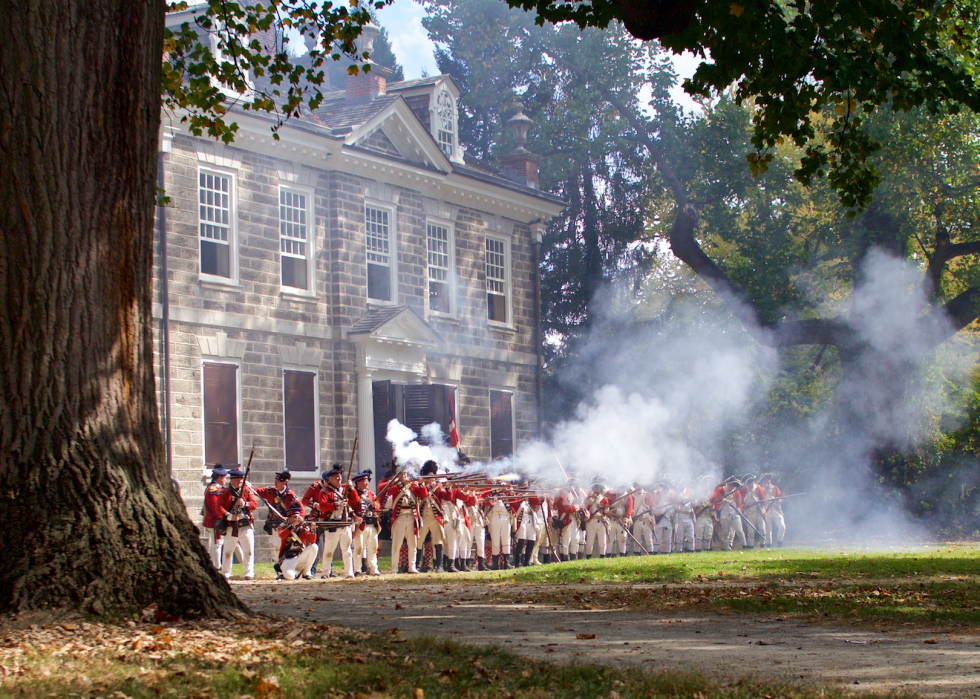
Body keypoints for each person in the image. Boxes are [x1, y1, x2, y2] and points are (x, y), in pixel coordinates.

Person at [313, 464, 356, 579]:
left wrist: (351, 488)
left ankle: (349, 572)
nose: (339, 478)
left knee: (347, 551)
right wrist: (337, 504)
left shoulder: (345, 489)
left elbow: (355, 500)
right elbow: (322, 506)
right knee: (328, 551)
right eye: (336, 477)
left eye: (339, 476)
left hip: (344, 523)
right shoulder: (325, 491)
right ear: (330, 479)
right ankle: (325, 572)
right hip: (332, 523)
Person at [217, 467, 258, 580]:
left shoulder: (246, 490)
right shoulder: (225, 492)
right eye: (238, 479)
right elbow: (218, 507)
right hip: (231, 525)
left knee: (248, 550)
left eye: (241, 479)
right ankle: (226, 572)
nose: (240, 481)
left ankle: (249, 572)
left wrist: (244, 504)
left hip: (245, 524)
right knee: (228, 551)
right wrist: (229, 516)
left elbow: (254, 504)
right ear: (232, 480)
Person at [383, 471, 428, 573]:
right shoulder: (395, 485)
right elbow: (389, 492)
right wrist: (402, 484)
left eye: (405, 474)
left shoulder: (413, 486)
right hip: (399, 517)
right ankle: (394, 568)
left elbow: (423, 494)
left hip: (412, 517)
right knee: (396, 544)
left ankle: (412, 567)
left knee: (413, 544)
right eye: (402, 474)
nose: (404, 476)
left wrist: (421, 484)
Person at [416, 460, 446, 573]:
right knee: (419, 542)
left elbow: (447, 496)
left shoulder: (438, 487)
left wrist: (445, 487)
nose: (431, 479)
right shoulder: (421, 486)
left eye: (432, 476)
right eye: (429, 476)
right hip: (423, 518)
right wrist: (423, 484)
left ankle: (439, 565)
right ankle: (417, 565)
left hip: (435, 518)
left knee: (438, 541)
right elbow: (422, 495)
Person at [350, 470, 382, 576]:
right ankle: (357, 570)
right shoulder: (353, 493)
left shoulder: (370, 493)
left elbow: (377, 504)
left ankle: (374, 568)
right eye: (364, 481)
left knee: (373, 548)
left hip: (371, 523)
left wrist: (374, 506)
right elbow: (352, 505)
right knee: (358, 548)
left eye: (367, 480)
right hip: (361, 524)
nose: (366, 483)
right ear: (358, 482)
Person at [276, 504, 318, 580]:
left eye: (298, 516)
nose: (297, 519)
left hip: (299, 556)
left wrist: (312, 530)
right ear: (289, 518)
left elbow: (311, 541)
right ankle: (287, 573)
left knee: (314, 547)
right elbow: (282, 535)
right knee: (290, 577)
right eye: (295, 517)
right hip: (287, 558)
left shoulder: (302, 526)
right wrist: (293, 525)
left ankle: (306, 572)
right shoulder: (283, 526)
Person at [255, 469, 304, 534]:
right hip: (273, 524)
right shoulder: (270, 491)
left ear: (284, 482)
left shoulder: (290, 496)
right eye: (275, 481)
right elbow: (257, 491)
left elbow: (301, 510)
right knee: (276, 544)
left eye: (277, 481)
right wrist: (247, 485)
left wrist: (297, 519)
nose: (275, 483)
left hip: (285, 526)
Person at [203, 465, 228, 568]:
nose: (225, 480)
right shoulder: (213, 489)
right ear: (219, 478)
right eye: (224, 478)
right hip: (214, 520)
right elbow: (215, 507)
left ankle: (216, 565)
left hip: (215, 519)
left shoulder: (216, 488)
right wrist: (223, 517)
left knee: (216, 543)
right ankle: (217, 566)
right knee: (217, 543)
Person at [714, 478, 746, 550]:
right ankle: (727, 548)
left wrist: (738, 510)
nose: (733, 487)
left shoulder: (736, 492)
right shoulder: (720, 490)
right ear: (728, 484)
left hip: (735, 514)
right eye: (732, 485)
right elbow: (717, 498)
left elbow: (739, 504)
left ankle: (745, 546)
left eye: (734, 486)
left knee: (740, 531)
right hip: (724, 514)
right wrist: (726, 500)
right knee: (725, 533)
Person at [583, 477, 609, 559]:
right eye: (595, 487)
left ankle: (602, 556)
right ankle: (588, 556)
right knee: (590, 541)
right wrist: (592, 498)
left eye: (598, 488)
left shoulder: (604, 499)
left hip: (601, 520)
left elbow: (606, 513)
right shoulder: (589, 498)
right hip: (591, 520)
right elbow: (585, 507)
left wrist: (607, 508)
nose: (596, 489)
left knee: (602, 541)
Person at [605, 485, 634, 557]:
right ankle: (608, 555)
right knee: (610, 538)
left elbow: (629, 508)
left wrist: (625, 520)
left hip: (621, 519)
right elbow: (604, 504)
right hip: (611, 518)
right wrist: (608, 512)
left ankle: (622, 555)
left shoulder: (627, 496)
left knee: (622, 538)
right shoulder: (609, 493)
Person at [739, 475, 767, 549]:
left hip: (759, 511)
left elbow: (763, 500)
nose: (751, 485)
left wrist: (760, 502)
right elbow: (740, 502)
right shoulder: (742, 490)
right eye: (749, 483)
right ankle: (750, 546)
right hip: (749, 513)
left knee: (762, 529)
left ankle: (763, 545)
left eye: (752, 483)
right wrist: (745, 506)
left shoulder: (758, 488)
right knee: (750, 532)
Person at [759, 473, 786, 548]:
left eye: (767, 479)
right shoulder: (760, 489)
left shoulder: (775, 488)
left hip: (776, 510)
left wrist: (776, 500)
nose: (766, 481)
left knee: (782, 527)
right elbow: (759, 500)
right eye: (765, 480)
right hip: (766, 511)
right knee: (768, 530)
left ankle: (779, 543)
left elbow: (781, 499)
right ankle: (769, 545)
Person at [694, 475, 717, 551]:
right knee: (699, 536)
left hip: (708, 516)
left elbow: (716, 504)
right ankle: (698, 550)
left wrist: (711, 505)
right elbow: (694, 504)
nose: (707, 484)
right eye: (705, 482)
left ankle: (706, 549)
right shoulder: (697, 493)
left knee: (708, 535)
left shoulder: (712, 493)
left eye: (708, 483)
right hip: (700, 516)